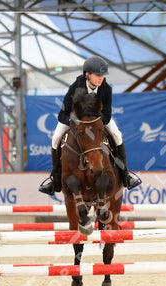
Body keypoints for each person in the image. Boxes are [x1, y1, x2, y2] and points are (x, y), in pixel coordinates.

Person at [39, 56, 141, 195]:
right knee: (56, 138)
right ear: (87, 74)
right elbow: (62, 113)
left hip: (97, 121)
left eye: (103, 75)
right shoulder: (76, 87)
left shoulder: (106, 89)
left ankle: (125, 175)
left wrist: (95, 122)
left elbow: (107, 115)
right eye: (98, 75)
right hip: (75, 121)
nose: (101, 78)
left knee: (117, 135)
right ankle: (55, 180)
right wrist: (75, 122)